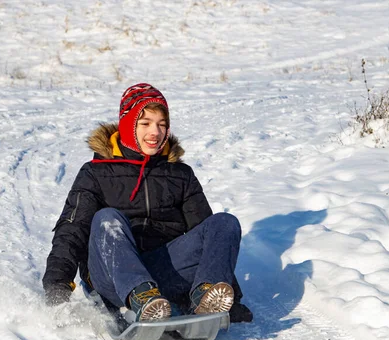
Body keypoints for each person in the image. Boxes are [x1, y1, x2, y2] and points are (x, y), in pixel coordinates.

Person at [43, 83, 253, 323]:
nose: (155, 132)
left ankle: (205, 299)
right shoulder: (95, 173)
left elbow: (207, 235)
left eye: (162, 125)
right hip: (111, 275)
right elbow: (72, 230)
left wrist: (231, 297)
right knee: (107, 219)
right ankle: (139, 295)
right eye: (145, 124)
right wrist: (57, 287)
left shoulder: (180, 174)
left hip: (163, 272)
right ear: (127, 126)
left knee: (224, 223)